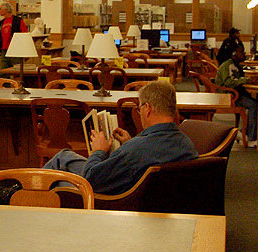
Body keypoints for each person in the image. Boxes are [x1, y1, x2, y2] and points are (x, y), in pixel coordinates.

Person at [43, 81, 198, 195]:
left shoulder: (135, 150)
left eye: (140, 107)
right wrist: (129, 143)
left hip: (112, 199)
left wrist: (99, 151)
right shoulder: (186, 144)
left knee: (55, 180)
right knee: (64, 157)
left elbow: (90, 181)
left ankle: (25, 195)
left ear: (148, 109)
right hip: (146, 193)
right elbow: (152, 154)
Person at [216, 45, 257, 146]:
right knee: (254, 106)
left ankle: (245, 132)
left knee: (255, 102)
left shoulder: (235, 65)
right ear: (234, 54)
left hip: (233, 94)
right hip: (228, 96)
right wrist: (246, 80)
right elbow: (229, 82)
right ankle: (251, 138)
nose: (243, 54)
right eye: (241, 52)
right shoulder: (228, 66)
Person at [0, 2, 28, 69]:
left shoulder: (18, 21)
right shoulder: (1, 23)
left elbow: (25, 35)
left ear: (6, 10)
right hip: (4, 51)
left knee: (17, 72)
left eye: (0, 9)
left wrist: (26, 53)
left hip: (16, 51)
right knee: (3, 72)